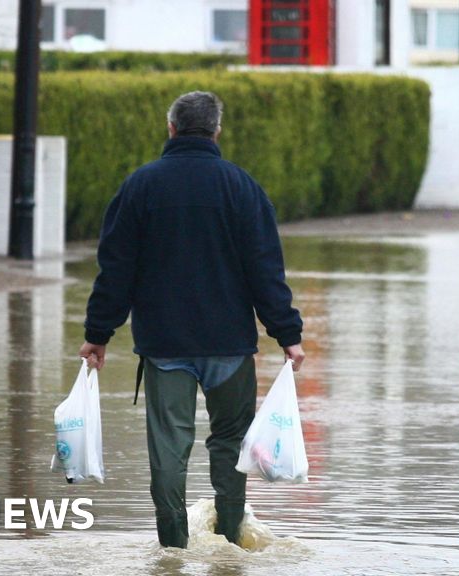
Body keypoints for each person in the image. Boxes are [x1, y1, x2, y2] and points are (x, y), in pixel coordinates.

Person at [78, 91, 306, 549]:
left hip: (164, 346)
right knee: (230, 444)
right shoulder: (242, 188)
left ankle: (173, 546)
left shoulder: (140, 187)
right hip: (229, 345)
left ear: (171, 128)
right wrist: (287, 333)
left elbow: (116, 269)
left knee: (168, 448)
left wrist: (98, 334)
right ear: (217, 131)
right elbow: (265, 269)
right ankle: (230, 541)